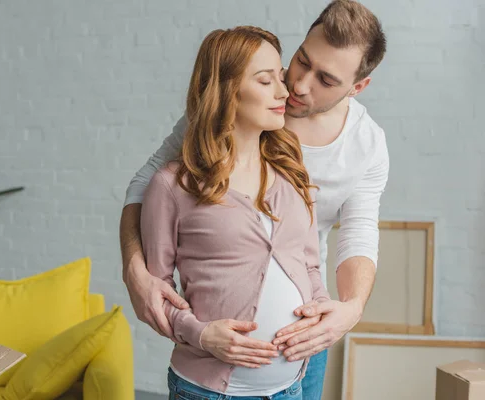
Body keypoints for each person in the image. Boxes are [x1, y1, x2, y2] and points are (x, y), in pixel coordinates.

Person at [121, 1, 389, 398]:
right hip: (209, 371)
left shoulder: (365, 145)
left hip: (306, 337)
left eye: (326, 80)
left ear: (357, 86)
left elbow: (357, 233)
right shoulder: (240, 102)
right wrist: (134, 269)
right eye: (301, 60)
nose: (297, 85)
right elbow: (149, 184)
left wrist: (350, 308)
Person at [140, 25, 328, 399]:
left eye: (280, 76)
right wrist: (201, 334)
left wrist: (320, 313)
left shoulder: (291, 172)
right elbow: (155, 292)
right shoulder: (173, 185)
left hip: (290, 387)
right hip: (207, 391)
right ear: (227, 91)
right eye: (264, 80)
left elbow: (309, 265)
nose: (283, 91)